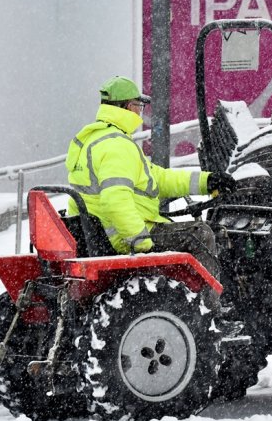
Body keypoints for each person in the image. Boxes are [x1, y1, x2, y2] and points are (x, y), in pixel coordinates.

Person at [65, 75, 236, 274]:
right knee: (201, 233)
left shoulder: (95, 139)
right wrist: (141, 241)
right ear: (129, 107)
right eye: (139, 105)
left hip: (103, 233)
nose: (140, 111)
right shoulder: (117, 146)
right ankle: (210, 301)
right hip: (122, 237)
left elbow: (158, 178)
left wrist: (206, 181)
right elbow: (115, 200)